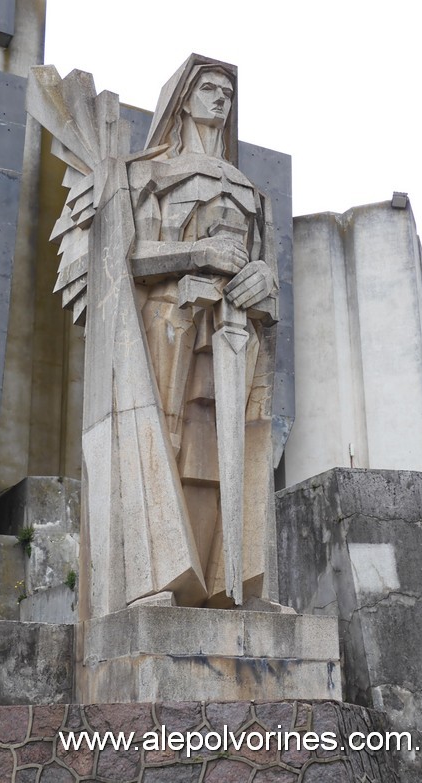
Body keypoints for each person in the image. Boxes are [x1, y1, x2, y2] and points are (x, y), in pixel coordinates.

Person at [126, 55, 279, 604]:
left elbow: (267, 276)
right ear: (184, 100)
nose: (221, 99)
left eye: (227, 92)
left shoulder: (250, 193)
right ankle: (159, 578)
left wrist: (263, 284)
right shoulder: (150, 174)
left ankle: (229, 585)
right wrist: (199, 252)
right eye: (209, 88)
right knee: (170, 446)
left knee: (226, 457)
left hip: (235, 333)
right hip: (173, 320)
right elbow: (133, 256)